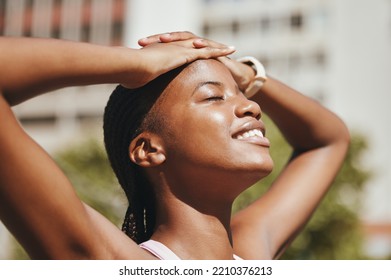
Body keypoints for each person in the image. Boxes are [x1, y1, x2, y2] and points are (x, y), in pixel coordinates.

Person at [0, 32, 349, 260]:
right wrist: (135, 63)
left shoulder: (250, 254)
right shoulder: (110, 260)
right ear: (148, 150)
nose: (251, 107)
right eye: (213, 96)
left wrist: (248, 75)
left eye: (242, 96)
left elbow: (327, 140)